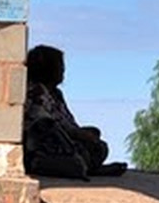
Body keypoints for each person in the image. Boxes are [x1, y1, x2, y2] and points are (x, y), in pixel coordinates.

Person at [22, 45, 126, 179]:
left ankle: (86, 166)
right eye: (60, 66)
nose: (63, 71)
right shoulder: (36, 91)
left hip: (65, 138)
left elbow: (68, 121)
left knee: (97, 141)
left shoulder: (56, 94)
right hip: (42, 145)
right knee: (76, 150)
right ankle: (85, 167)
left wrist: (85, 134)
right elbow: (49, 124)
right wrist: (78, 135)